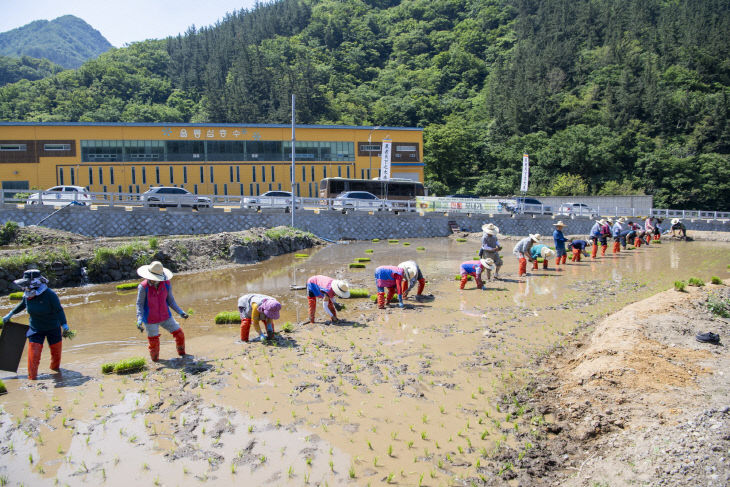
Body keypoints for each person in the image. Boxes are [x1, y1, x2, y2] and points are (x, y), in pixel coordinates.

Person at [2, 270, 70, 380]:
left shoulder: (50, 295)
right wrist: (10, 314)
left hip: (53, 327)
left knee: (56, 355)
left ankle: (56, 373)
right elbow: (22, 305)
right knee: (34, 354)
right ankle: (32, 378)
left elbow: (59, 310)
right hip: (36, 328)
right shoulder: (28, 294)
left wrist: (64, 324)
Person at [136, 261, 188, 362]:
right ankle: (156, 362)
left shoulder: (166, 284)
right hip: (150, 319)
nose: (155, 280)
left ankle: (183, 356)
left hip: (166, 316)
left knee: (180, 334)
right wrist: (139, 319)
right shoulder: (143, 287)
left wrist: (181, 312)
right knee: (154, 343)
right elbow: (139, 305)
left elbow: (170, 301)